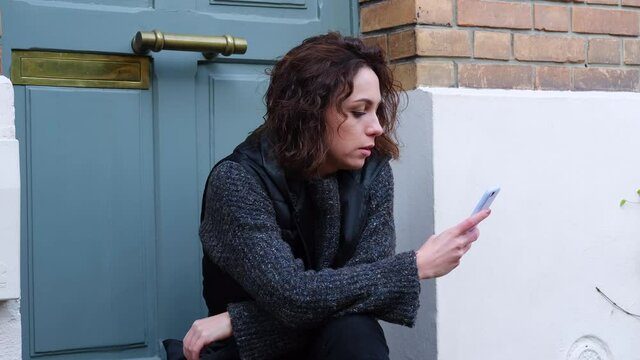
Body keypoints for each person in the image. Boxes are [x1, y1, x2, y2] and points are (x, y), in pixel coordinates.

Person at [179, 32, 491, 360]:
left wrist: (239, 321)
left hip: (332, 343)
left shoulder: (372, 172)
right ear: (309, 113)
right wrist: (414, 267)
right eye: (359, 111)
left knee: (354, 326)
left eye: (377, 110)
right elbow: (292, 296)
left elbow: (367, 294)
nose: (377, 128)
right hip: (253, 355)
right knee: (351, 321)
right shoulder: (239, 181)